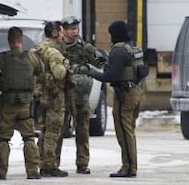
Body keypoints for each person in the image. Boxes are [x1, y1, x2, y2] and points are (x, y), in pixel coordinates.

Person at [0, 26, 43, 180]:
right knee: (29, 138)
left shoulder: (2, 58)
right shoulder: (31, 57)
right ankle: (33, 171)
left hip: (8, 105)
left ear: (9, 41)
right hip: (25, 105)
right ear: (21, 40)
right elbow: (41, 69)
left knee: (4, 139)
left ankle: (1, 172)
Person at [90, 20, 143, 178]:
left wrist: (91, 72)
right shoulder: (133, 46)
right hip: (135, 91)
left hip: (124, 94)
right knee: (129, 130)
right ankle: (130, 166)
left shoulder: (118, 50)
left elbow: (110, 76)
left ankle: (128, 167)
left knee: (124, 131)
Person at [55, 16, 106, 175]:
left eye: (76, 28)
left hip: (80, 97)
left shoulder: (84, 47)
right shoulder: (57, 48)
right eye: (71, 29)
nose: (75, 31)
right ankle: (53, 163)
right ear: (63, 30)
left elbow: (101, 62)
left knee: (82, 131)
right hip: (62, 95)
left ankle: (82, 163)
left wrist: (88, 68)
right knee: (58, 130)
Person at [34, 21, 70, 177]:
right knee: (53, 131)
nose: (63, 35)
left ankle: (40, 161)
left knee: (43, 129)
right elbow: (59, 74)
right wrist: (66, 64)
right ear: (55, 33)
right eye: (61, 32)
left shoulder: (37, 48)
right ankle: (49, 165)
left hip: (40, 95)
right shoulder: (54, 52)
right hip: (54, 97)